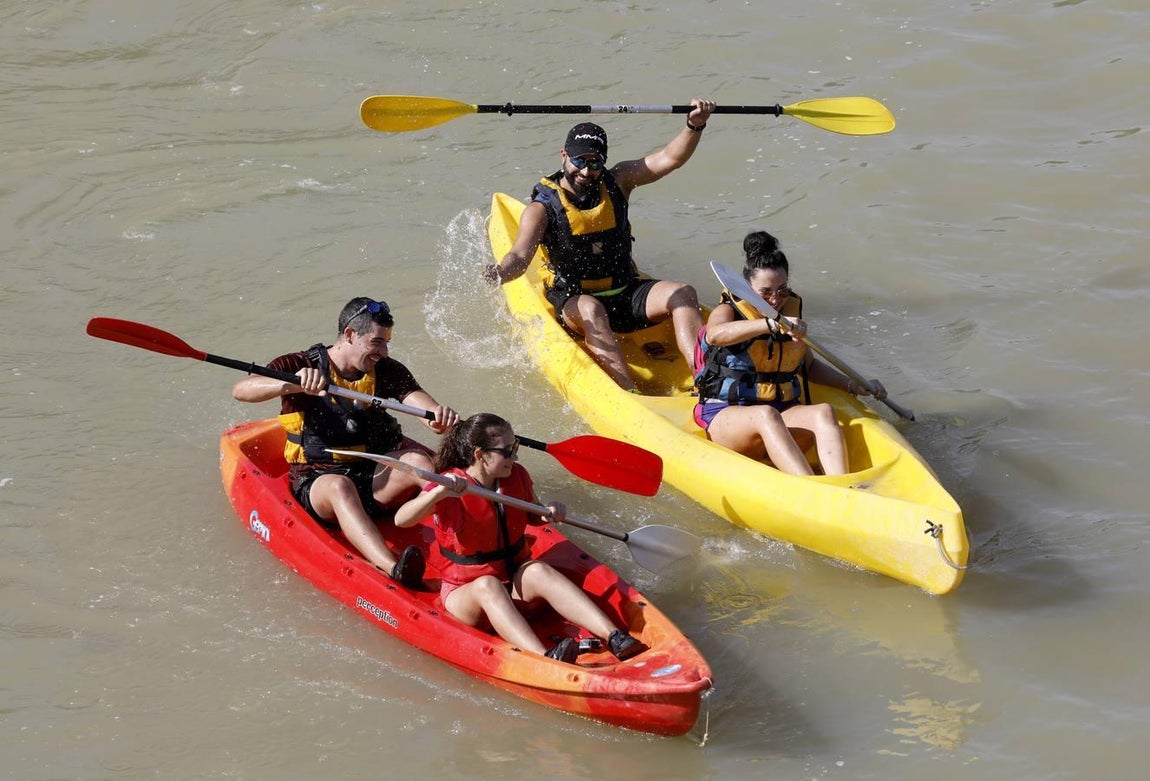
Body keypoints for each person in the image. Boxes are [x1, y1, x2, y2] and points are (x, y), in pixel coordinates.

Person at [483, 99, 717, 391]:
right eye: (580, 161)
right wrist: (499, 273)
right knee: (592, 309)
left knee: (683, 293)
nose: (586, 171)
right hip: (576, 302)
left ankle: (705, 380)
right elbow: (519, 257)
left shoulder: (619, 181)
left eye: (595, 163)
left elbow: (670, 158)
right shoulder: (541, 210)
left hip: (624, 291)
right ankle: (628, 392)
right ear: (564, 155)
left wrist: (695, 124)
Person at [232, 297, 459, 587]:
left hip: (373, 477)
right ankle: (393, 568)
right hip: (319, 480)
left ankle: (469, 546)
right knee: (341, 487)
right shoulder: (299, 364)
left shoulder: (386, 369)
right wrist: (291, 384)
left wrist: (438, 418)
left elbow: (423, 407)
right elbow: (242, 390)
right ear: (350, 334)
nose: (384, 352)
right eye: (377, 342)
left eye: (387, 343)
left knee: (420, 462)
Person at [394, 413, 645, 664]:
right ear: (480, 455)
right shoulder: (450, 486)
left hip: (513, 582)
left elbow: (534, 515)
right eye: (507, 451)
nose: (514, 457)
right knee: (488, 585)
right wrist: (438, 493)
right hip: (467, 596)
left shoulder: (517, 476)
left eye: (515, 447)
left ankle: (614, 636)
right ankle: (545, 658)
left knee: (537, 570)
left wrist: (548, 512)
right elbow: (401, 520)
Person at [693, 231, 887, 476]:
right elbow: (715, 335)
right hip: (726, 415)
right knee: (765, 415)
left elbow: (809, 367)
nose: (775, 300)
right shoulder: (728, 311)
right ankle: (808, 486)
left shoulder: (790, 314)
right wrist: (770, 324)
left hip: (780, 410)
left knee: (824, 412)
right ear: (748, 288)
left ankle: (840, 484)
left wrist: (852, 385)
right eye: (765, 293)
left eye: (782, 290)